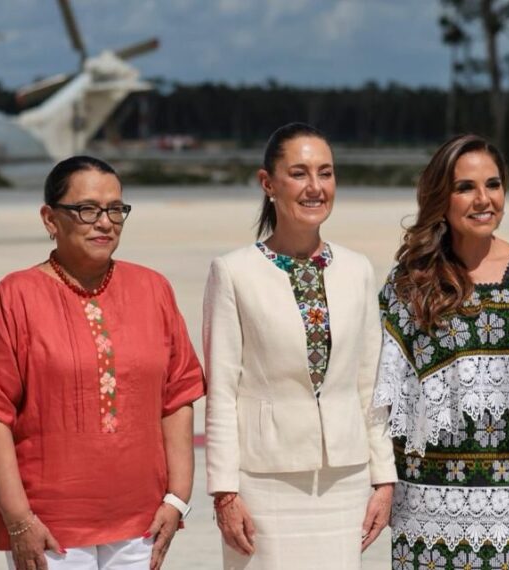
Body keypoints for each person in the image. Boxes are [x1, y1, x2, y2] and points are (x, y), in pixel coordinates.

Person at [0, 155, 205, 570]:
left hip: (142, 521)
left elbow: (178, 395)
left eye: (115, 210)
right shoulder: (16, 296)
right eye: (87, 210)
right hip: (49, 528)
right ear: (50, 219)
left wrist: (177, 498)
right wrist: (18, 520)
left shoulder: (153, 288)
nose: (104, 222)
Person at [373, 134, 509, 569]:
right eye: (465, 187)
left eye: (493, 184)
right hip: (429, 513)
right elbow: (383, 400)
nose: (483, 199)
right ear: (442, 198)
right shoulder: (410, 283)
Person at [203, 122, 397, 569]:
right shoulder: (234, 272)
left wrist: (383, 479)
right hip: (263, 481)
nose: (315, 187)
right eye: (299, 173)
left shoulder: (358, 269)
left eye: (325, 173)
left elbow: (371, 383)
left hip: (345, 480)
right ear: (267, 183)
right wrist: (224, 492)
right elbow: (222, 393)